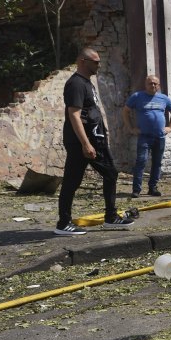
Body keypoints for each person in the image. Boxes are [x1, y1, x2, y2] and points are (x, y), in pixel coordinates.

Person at [55, 47, 135, 236]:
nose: (99, 65)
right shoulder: (76, 84)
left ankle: (111, 217)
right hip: (81, 143)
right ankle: (63, 223)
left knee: (110, 174)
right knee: (72, 181)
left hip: (94, 140)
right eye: (96, 62)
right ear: (83, 61)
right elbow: (74, 115)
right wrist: (85, 144)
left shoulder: (87, 83)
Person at [123, 75, 171, 197]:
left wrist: (170, 127)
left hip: (160, 137)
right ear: (145, 84)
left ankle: (153, 188)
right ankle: (136, 190)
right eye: (150, 83)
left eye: (155, 83)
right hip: (144, 137)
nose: (153, 85)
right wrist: (131, 128)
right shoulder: (137, 97)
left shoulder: (163, 98)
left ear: (158, 85)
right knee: (141, 161)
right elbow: (125, 111)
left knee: (157, 163)